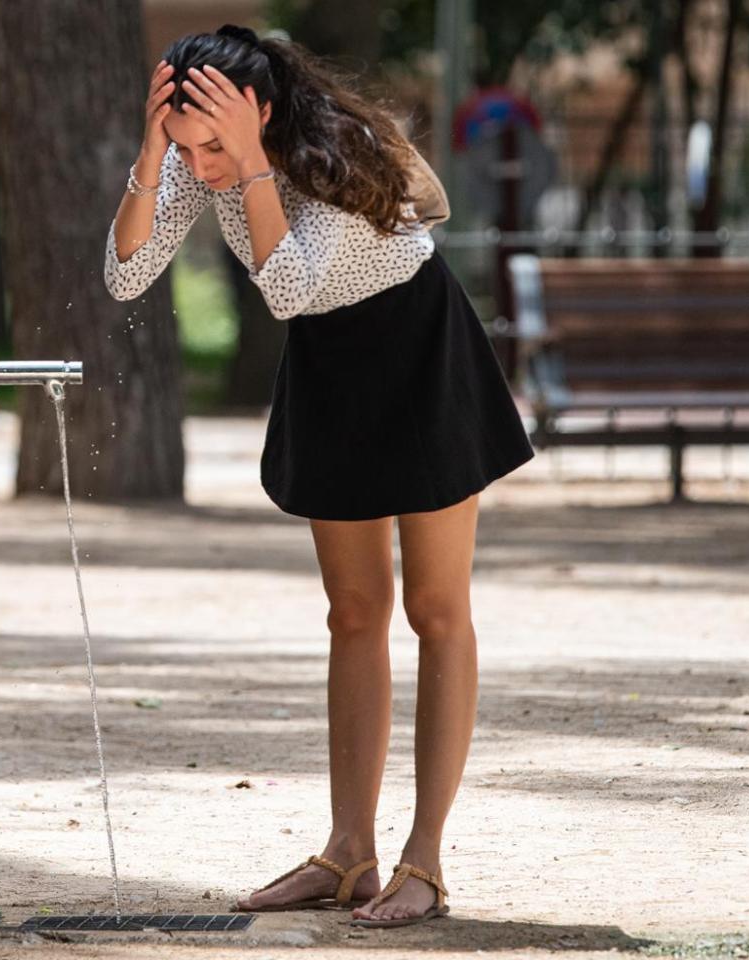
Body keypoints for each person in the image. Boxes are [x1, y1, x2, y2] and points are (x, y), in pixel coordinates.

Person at [102, 24, 536, 929]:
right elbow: (127, 273)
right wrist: (155, 152)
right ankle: (348, 854)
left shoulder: (345, 152)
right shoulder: (194, 156)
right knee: (352, 611)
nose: (205, 164)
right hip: (334, 369)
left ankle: (425, 861)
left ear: (260, 109)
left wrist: (250, 163)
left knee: (437, 609)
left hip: (417, 355)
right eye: (191, 146)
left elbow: (288, 287)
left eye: (216, 141)